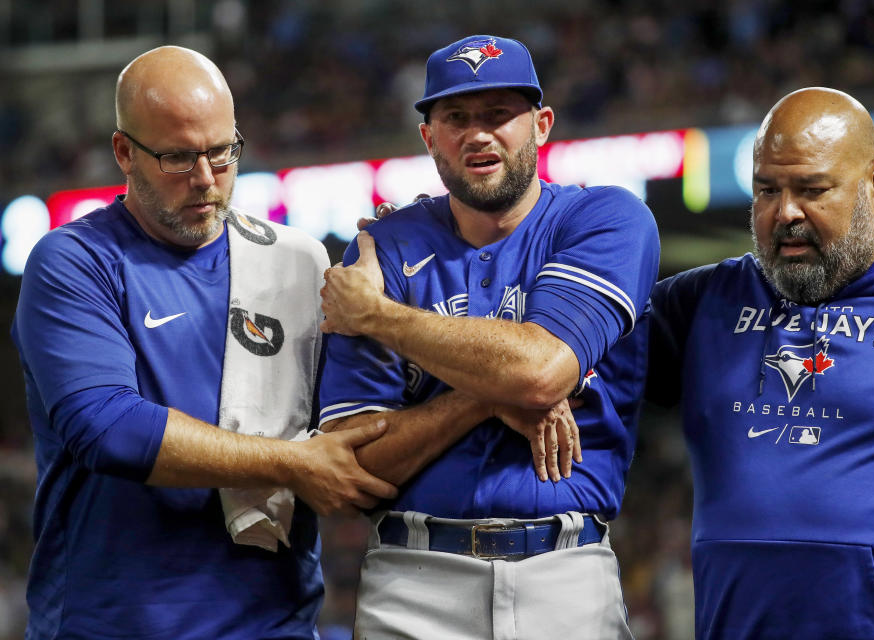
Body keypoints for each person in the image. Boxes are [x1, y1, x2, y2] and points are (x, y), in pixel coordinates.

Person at [11, 46, 396, 640]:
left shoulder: (295, 261)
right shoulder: (74, 262)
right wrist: (293, 462)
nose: (206, 179)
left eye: (222, 152)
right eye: (177, 157)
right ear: (124, 153)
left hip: (277, 623)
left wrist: (486, 389)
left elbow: (361, 426)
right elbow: (107, 428)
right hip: (113, 626)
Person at [316, 35, 660, 639]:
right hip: (411, 573)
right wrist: (487, 396)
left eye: (499, 114)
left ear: (541, 125)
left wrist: (378, 317)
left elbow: (538, 373)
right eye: (455, 117)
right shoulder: (382, 250)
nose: (478, 134)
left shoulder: (603, 218)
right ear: (429, 138)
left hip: (565, 570)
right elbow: (352, 467)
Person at [647, 87, 874, 639]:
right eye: (767, 190)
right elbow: (562, 370)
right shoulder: (704, 301)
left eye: (812, 189)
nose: (785, 212)